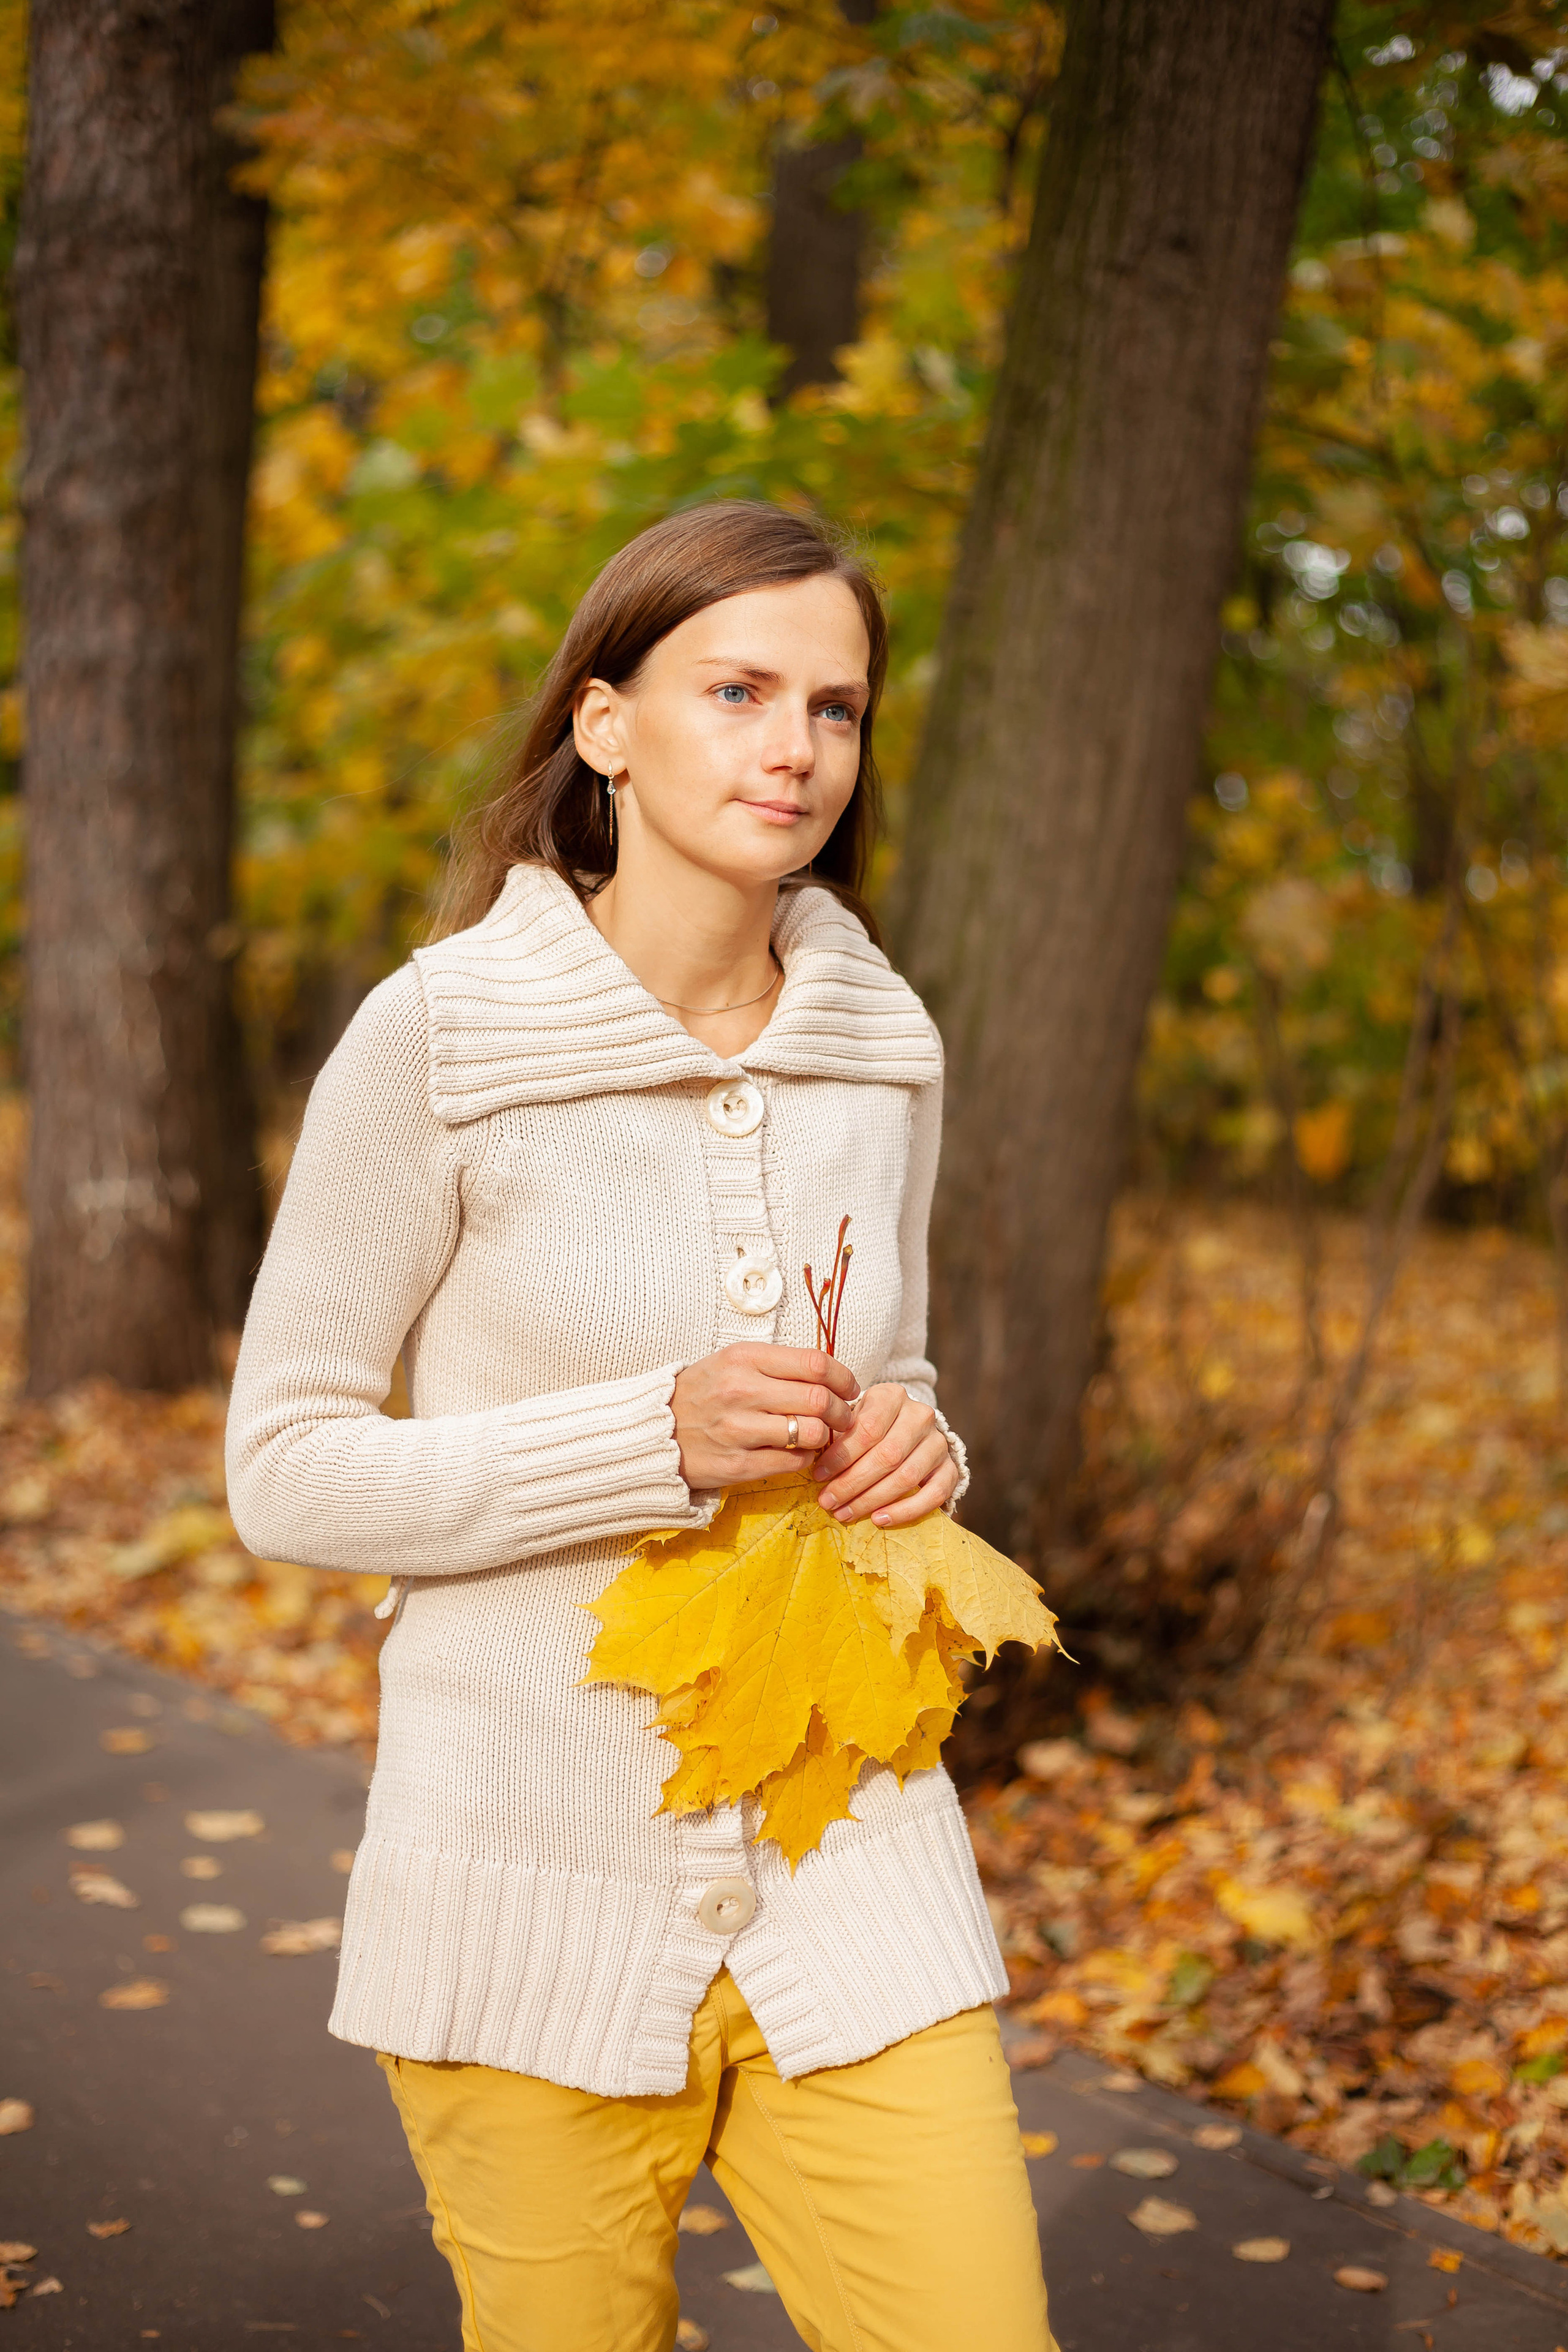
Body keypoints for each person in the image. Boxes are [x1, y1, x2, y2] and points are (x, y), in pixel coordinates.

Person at [225, 500, 1056, 2352]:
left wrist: (925, 1459)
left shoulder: (878, 1039)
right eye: (738, 689)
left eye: (834, 708)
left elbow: (891, 1377)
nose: (794, 748)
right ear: (604, 725)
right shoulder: (437, 1038)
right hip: (526, 1883)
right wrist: (648, 1443)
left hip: (853, 1862)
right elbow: (283, 1466)